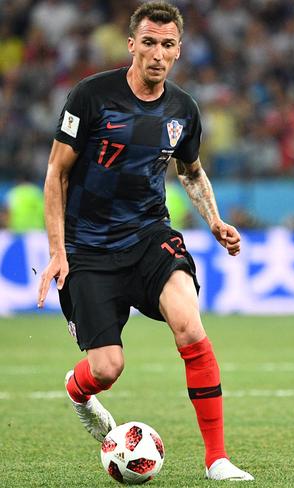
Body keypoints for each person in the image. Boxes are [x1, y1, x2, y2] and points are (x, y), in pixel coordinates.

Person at [37, 2, 253, 481]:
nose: (158, 53)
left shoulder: (183, 110)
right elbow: (56, 173)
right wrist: (57, 250)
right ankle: (78, 390)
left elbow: (191, 172)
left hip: (149, 235)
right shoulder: (91, 96)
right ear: (132, 44)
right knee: (108, 368)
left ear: (179, 51)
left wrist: (215, 221)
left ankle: (216, 458)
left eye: (168, 44)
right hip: (88, 249)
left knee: (190, 327)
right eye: (149, 42)